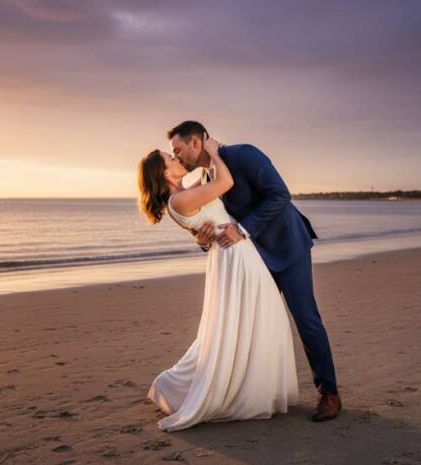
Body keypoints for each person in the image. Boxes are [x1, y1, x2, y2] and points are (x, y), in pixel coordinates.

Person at [168, 121, 341, 422]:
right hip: (251, 258)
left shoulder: (243, 155)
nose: (178, 156)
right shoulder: (210, 177)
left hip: (287, 246)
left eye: (178, 150)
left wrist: (243, 229)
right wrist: (204, 236)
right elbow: (212, 220)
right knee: (255, 324)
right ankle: (257, 392)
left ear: (196, 142)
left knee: (306, 319)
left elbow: (280, 195)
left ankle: (329, 393)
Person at [137, 138, 298, 432]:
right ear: (164, 174)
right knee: (254, 318)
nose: (176, 159)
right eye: (169, 159)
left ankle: (193, 384)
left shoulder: (183, 194)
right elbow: (225, 182)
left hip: (232, 253)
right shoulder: (179, 199)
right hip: (234, 254)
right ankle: (233, 389)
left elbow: (205, 220)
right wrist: (213, 152)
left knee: (251, 319)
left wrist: (201, 235)